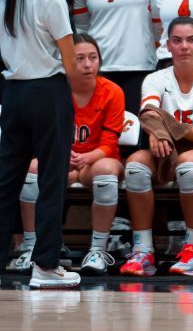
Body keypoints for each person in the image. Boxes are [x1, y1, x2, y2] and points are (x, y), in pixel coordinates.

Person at [0, 0, 80, 288]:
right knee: (50, 181)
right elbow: (69, 59)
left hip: (13, 95)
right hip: (48, 93)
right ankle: (46, 266)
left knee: (6, 181)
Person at [120, 17, 193, 277]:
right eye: (177, 41)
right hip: (164, 152)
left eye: (190, 40)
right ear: (166, 45)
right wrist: (157, 131)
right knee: (134, 165)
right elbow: (148, 113)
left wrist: (165, 129)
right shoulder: (155, 79)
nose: (184, 46)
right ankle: (143, 251)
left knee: (188, 164)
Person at [10, 34, 125, 275]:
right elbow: (40, 137)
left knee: (106, 171)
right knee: (32, 169)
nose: (87, 64)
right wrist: (62, 157)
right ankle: (31, 247)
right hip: (59, 160)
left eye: (93, 58)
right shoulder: (55, 90)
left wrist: (88, 158)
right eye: (79, 58)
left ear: (100, 61)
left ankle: (97, 250)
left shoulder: (113, 91)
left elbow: (110, 140)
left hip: (96, 161)